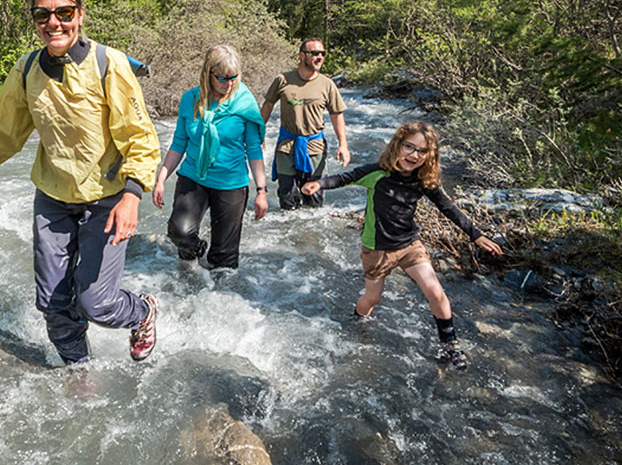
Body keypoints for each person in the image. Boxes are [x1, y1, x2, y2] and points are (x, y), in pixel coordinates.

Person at [0, 0, 162, 365]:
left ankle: (143, 312)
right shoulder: (26, 69)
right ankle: (79, 369)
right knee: (52, 302)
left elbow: (140, 137)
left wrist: (133, 195)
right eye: (43, 15)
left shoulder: (110, 65)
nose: (53, 22)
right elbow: (6, 132)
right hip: (53, 199)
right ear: (35, 20)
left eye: (64, 12)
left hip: (106, 199)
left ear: (80, 15)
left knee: (97, 303)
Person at [301, 121, 503, 369]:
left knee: (436, 292)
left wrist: (476, 235)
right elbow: (344, 178)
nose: (414, 155)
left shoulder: (423, 180)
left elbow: (448, 207)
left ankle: (449, 345)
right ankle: (358, 318)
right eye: (409, 147)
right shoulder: (377, 172)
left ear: (429, 156)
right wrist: (319, 183)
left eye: (422, 151)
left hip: (409, 245)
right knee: (372, 299)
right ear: (397, 145)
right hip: (377, 248)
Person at [152, 45, 267, 270]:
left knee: (224, 260)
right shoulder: (190, 99)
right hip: (194, 177)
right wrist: (161, 179)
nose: (229, 84)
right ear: (208, 74)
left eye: (234, 77)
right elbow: (179, 143)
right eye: (223, 78)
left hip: (231, 183)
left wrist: (261, 191)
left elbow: (254, 149)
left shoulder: (244, 102)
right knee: (180, 232)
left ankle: (219, 296)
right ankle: (192, 264)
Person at [259, 38, 349, 209]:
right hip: (286, 146)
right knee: (287, 199)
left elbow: (337, 115)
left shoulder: (327, 84)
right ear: (302, 55)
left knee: (314, 202)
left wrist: (343, 144)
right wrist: (259, 133)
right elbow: (267, 106)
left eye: (322, 53)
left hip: (315, 148)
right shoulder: (283, 79)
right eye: (314, 53)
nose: (320, 57)